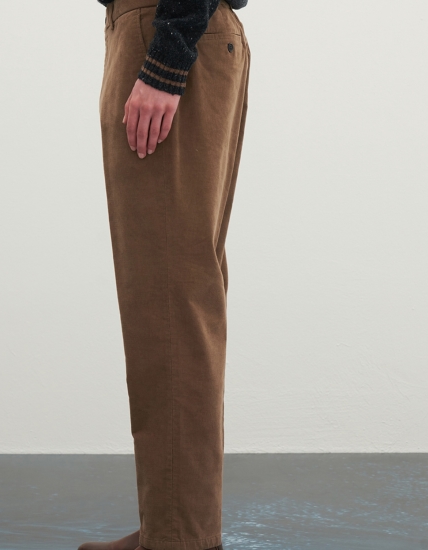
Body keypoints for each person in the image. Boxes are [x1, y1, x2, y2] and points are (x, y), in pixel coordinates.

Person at [79, 0, 250, 549]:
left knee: (169, 306)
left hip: (166, 26)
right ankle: (174, 527)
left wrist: (165, 60)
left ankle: (180, 539)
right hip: (167, 28)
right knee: (173, 298)